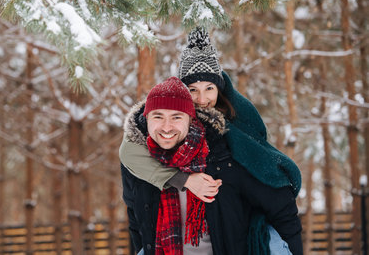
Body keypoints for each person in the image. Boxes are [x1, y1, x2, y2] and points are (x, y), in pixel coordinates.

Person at [120, 27, 303, 255]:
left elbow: (273, 190)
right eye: (193, 90)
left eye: (209, 89)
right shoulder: (152, 140)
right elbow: (135, 209)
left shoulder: (229, 137)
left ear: (220, 88)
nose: (202, 99)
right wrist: (183, 180)